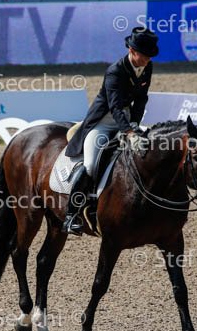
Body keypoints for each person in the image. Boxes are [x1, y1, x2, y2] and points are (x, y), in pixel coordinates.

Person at [62, 27, 159, 235]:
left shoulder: (147, 67)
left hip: (126, 120)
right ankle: (71, 215)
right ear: (132, 51)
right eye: (144, 55)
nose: (147, 60)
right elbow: (114, 107)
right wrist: (129, 132)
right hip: (103, 121)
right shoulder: (115, 71)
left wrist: (134, 125)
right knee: (90, 165)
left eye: (150, 56)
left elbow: (141, 99)